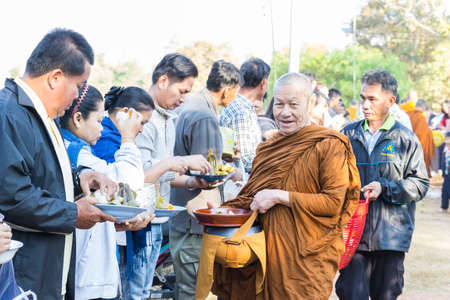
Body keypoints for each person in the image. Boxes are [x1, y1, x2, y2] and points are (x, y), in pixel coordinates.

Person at [210, 72, 361, 299]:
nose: (285, 112)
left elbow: (333, 203)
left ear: (310, 104)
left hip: (306, 262)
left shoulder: (329, 146)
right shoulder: (267, 149)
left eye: (293, 104)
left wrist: (281, 196)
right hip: (265, 256)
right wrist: (224, 211)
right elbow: (251, 196)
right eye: (279, 104)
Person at [0, 28, 117, 300]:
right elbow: (12, 197)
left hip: (53, 269)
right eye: (78, 85)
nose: (78, 96)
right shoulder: (8, 114)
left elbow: (42, 175)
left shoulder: (44, 115)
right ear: (55, 78)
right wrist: (72, 214)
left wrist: (81, 177)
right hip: (25, 275)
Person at [337, 69, 429, 300]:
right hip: (353, 238)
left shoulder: (406, 139)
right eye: (362, 98)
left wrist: (384, 188)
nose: (364, 105)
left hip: (391, 238)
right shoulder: (347, 135)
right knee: (350, 294)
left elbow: (420, 184)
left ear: (390, 101)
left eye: (372, 99)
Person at [60, 84, 154, 299]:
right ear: (78, 119)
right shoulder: (74, 151)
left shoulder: (76, 147)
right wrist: (128, 138)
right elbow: (126, 183)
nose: (102, 129)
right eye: (98, 121)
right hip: (86, 273)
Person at [134, 53, 211, 298]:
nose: (183, 99)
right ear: (164, 81)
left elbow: (163, 174)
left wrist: (191, 181)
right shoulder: (142, 116)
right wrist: (178, 162)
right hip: (136, 224)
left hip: (155, 220)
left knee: (145, 291)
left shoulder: (169, 118)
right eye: (182, 91)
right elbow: (140, 175)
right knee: (136, 292)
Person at [171, 60, 241, 300]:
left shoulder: (188, 105)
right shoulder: (205, 117)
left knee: (186, 291)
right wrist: (230, 172)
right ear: (226, 90)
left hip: (181, 220)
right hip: (197, 224)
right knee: (200, 294)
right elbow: (208, 173)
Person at [219, 58, 270, 174]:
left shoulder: (241, 106)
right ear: (263, 83)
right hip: (239, 183)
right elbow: (245, 160)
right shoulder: (241, 111)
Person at [407, 99, 435, 176]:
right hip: (416, 149)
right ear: (423, 107)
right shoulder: (420, 118)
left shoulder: (407, 114)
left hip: (405, 147)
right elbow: (421, 136)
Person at [440, 132, 450, 213]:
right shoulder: (445, 148)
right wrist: (442, 171)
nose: (447, 141)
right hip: (446, 173)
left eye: (448, 139)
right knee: (445, 191)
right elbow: (443, 160)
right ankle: (444, 207)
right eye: (446, 139)